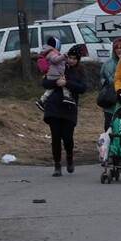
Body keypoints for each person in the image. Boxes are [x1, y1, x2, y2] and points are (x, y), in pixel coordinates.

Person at [42, 45, 88, 177]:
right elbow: (45, 83)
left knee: (67, 137)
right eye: (70, 58)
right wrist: (56, 82)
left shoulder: (80, 71)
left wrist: (66, 84)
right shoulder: (58, 65)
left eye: (74, 58)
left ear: (78, 60)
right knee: (55, 138)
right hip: (54, 107)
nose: (71, 60)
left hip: (69, 108)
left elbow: (83, 88)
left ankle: (69, 156)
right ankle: (57, 165)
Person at [36, 36, 74, 111]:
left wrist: (65, 63)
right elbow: (56, 60)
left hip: (51, 74)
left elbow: (58, 62)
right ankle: (67, 96)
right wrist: (64, 56)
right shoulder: (51, 53)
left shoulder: (49, 53)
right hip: (55, 74)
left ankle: (42, 100)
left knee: (50, 90)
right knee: (64, 82)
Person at [99, 37, 121, 131]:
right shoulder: (107, 64)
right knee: (109, 129)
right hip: (110, 101)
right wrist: (107, 85)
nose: (119, 50)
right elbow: (102, 77)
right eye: (117, 48)